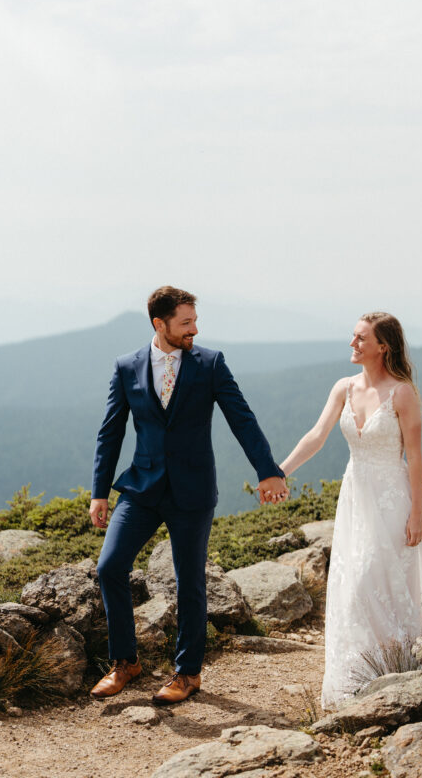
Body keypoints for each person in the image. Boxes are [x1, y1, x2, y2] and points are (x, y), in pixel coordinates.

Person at [279, 311, 422, 708]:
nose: (352, 344)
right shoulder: (344, 387)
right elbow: (316, 436)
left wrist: (417, 513)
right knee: (354, 582)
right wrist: (278, 472)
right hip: (356, 498)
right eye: (353, 337)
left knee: (381, 580)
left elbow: (416, 458)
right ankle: (362, 674)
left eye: (360, 339)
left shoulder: (402, 393)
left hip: (394, 498)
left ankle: (403, 666)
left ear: (382, 346)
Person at [89, 286, 289, 704]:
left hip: (192, 491)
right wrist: (99, 492)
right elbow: (111, 431)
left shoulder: (210, 364)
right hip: (140, 488)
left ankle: (188, 673)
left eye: (195, 321)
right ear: (159, 324)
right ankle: (125, 663)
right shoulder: (127, 367)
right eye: (186, 322)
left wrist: (267, 471)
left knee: (190, 583)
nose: (195, 329)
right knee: (110, 567)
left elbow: (242, 418)